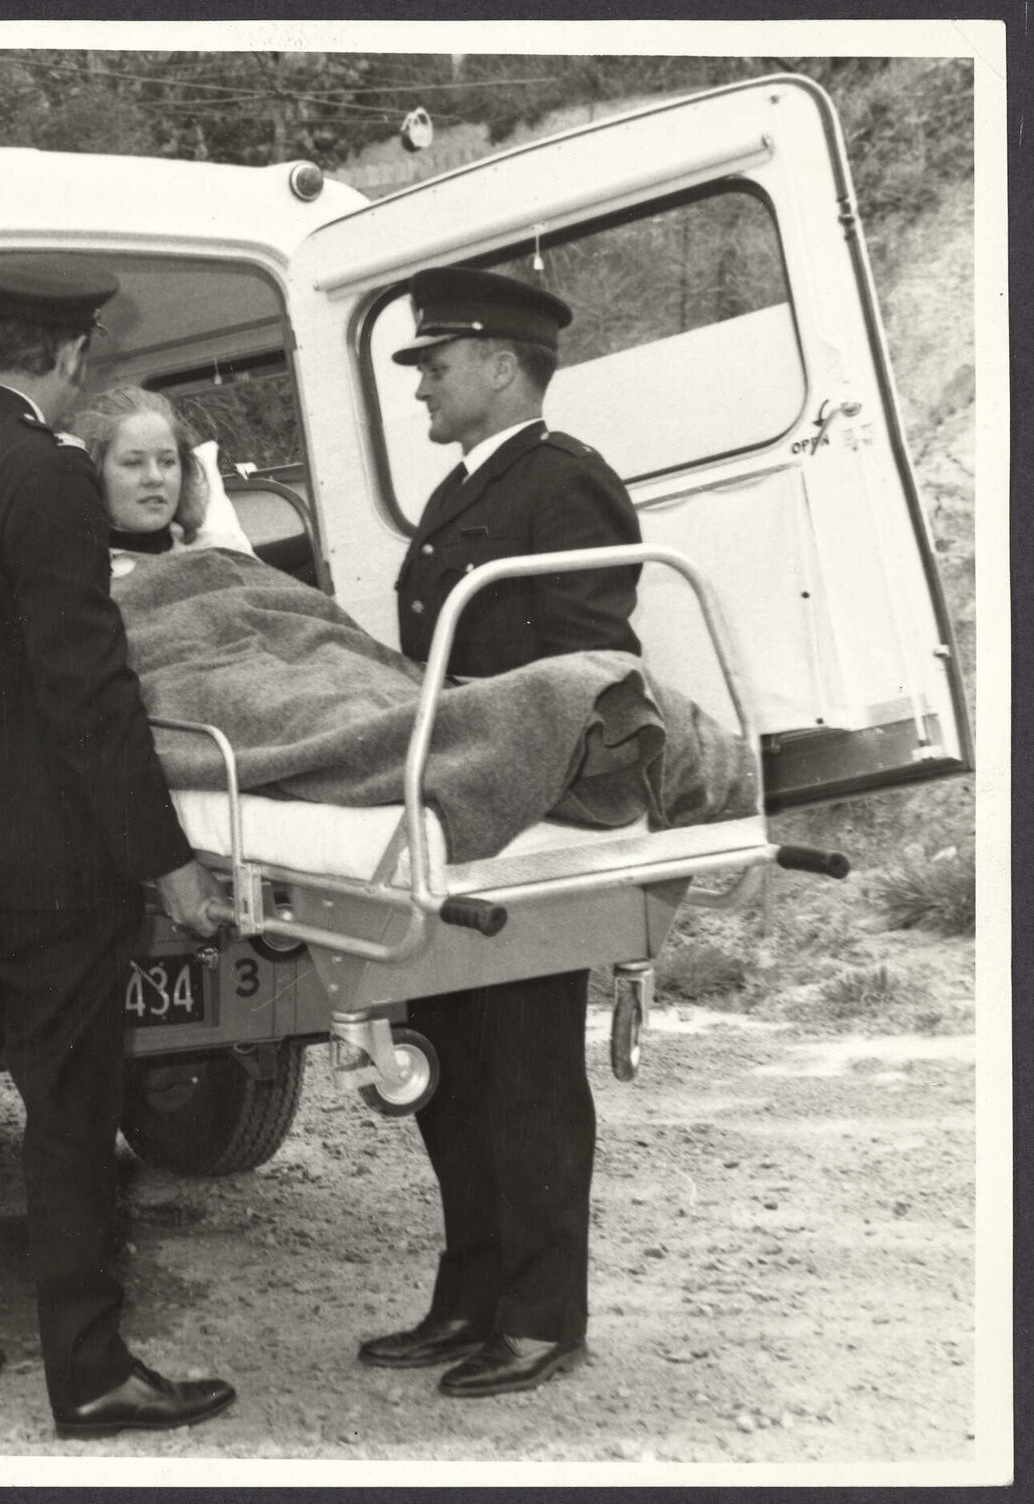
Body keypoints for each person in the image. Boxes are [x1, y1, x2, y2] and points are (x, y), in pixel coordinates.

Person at [0, 254, 237, 1440]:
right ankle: (90, 1376)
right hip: (41, 859)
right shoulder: (48, 476)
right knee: (70, 1109)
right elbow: (86, 692)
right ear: (68, 353)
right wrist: (163, 854)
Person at [356, 265, 643, 1399]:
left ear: (498, 363)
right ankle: (468, 1297)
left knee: (524, 1078)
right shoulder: (463, 488)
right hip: (457, 814)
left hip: (525, 822)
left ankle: (537, 1316)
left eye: (433, 362)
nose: (419, 383)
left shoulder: (562, 485)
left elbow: (585, 668)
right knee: (456, 1071)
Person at [60, 385, 255, 567]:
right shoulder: (77, 574)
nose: (155, 477)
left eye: (167, 462)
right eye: (133, 463)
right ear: (95, 473)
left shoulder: (225, 551)